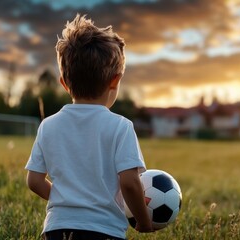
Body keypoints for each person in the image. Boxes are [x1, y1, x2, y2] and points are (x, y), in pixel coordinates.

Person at [25, 14, 153, 240]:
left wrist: (64, 200)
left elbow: (34, 181)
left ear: (64, 83)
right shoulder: (121, 127)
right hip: (104, 232)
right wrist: (143, 221)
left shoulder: (48, 125)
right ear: (115, 80)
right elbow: (130, 184)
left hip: (56, 230)